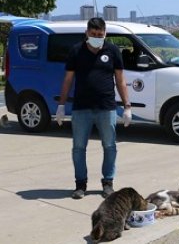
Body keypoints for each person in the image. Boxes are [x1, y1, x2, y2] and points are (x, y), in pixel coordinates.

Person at [56, 17, 132, 199]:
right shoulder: (76, 51)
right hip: (81, 107)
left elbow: (120, 80)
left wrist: (127, 106)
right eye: (93, 34)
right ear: (87, 33)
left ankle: (107, 183)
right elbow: (68, 79)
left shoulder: (113, 51)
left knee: (110, 146)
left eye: (100, 34)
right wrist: (61, 105)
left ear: (105, 34)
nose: (97, 37)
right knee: (79, 147)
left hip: (106, 107)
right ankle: (80, 184)